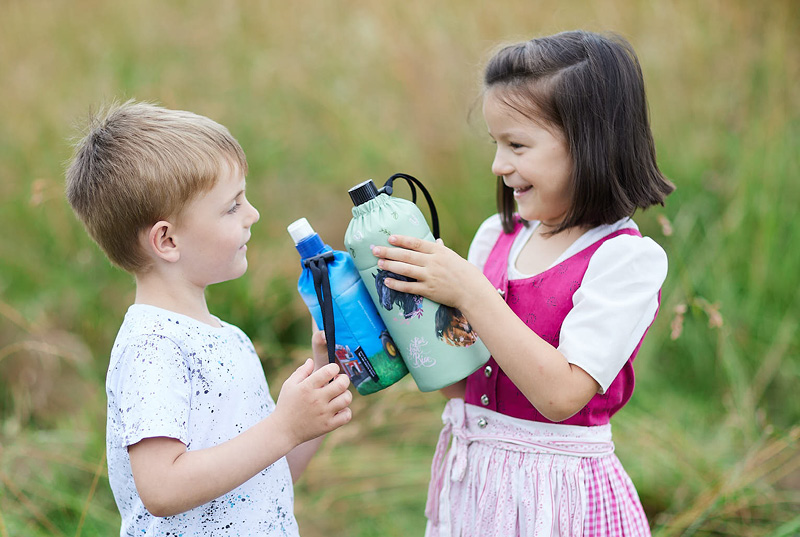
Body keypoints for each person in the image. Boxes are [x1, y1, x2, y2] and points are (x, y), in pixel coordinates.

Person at [371, 30, 674, 536]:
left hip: (557, 498)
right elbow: (460, 383)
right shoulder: (497, 236)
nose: (498, 165)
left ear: (590, 143)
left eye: (516, 145)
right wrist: (400, 318)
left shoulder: (624, 260)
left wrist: (469, 291)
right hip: (477, 485)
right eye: (496, 143)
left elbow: (561, 396)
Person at [65, 101, 353, 536]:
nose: (253, 214)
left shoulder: (230, 338)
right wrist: (283, 427)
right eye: (232, 206)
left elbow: (266, 476)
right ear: (167, 240)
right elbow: (162, 487)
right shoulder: (153, 347)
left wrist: (317, 392)